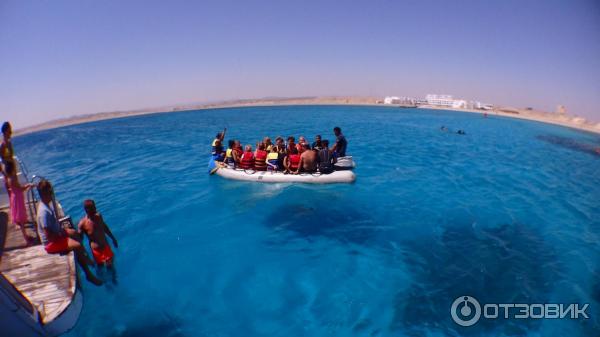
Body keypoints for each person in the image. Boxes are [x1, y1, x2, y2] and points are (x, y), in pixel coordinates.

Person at [36, 180, 102, 286]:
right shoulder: (44, 212)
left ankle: (86, 257)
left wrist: (64, 231)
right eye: (50, 192)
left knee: (74, 233)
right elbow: (49, 236)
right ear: (45, 194)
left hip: (56, 233)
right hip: (50, 243)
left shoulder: (46, 204)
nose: (52, 194)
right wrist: (62, 235)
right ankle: (89, 275)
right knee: (77, 245)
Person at [78, 199, 118, 283]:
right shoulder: (83, 224)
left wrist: (113, 238)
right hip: (97, 251)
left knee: (111, 267)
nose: (95, 209)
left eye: (95, 207)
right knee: (100, 268)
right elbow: (79, 240)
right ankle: (104, 283)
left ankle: (114, 282)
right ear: (87, 210)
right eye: (93, 208)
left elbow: (104, 227)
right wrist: (85, 254)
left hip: (106, 247)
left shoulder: (98, 216)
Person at [5, 161, 35, 244]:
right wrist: (29, 185)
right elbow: (21, 188)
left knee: (19, 218)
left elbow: (13, 188)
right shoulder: (13, 178)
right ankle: (26, 238)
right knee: (21, 219)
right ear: (12, 168)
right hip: (18, 198)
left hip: (14, 197)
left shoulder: (8, 178)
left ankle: (26, 236)